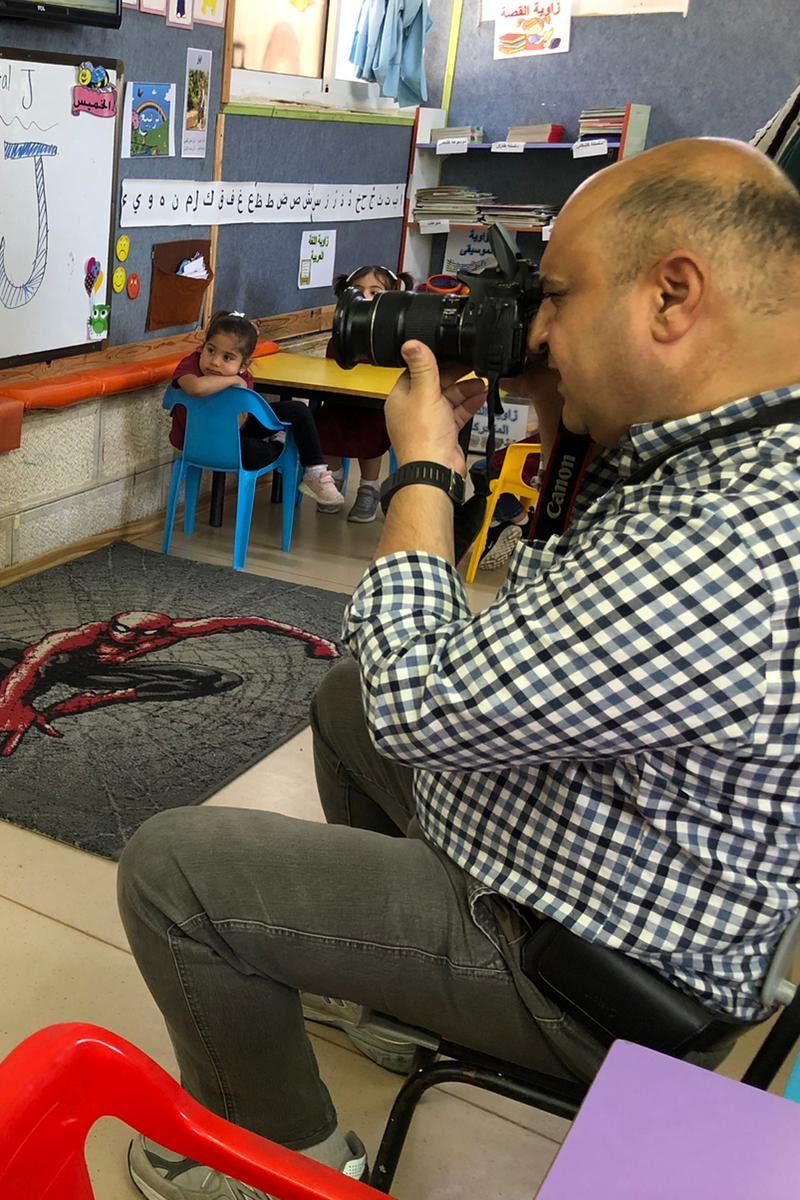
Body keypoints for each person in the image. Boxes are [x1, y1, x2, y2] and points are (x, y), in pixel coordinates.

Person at [117, 137, 800, 1198]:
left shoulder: (733, 537)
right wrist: (563, 404)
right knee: (340, 701)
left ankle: (283, 1164)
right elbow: (532, 630)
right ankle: (399, 1009)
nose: (538, 332)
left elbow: (416, 699)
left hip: (586, 971)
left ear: (672, 297)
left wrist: (425, 472)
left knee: (175, 872)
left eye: (555, 298)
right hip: (597, 867)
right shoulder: (712, 452)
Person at [169, 311, 346, 507]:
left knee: (298, 410)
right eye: (210, 350)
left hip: (234, 431)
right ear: (201, 347)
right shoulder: (191, 365)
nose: (215, 362)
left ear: (244, 365)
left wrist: (238, 384)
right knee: (254, 452)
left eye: (227, 357)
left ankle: (315, 472)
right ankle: (281, 445)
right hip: (199, 444)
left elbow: (240, 423)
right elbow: (195, 388)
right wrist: (234, 380)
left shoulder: (244, 377)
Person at [313, 265, 413, 523]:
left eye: (374, 292)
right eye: (357, 291)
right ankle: (333, 479)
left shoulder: (393, 337)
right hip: (341, 401)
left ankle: (369, 487)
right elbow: (332, 367)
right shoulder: (341, 333)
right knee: (325, 424)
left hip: (375, 407)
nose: (365, 297)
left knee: (372, 430)